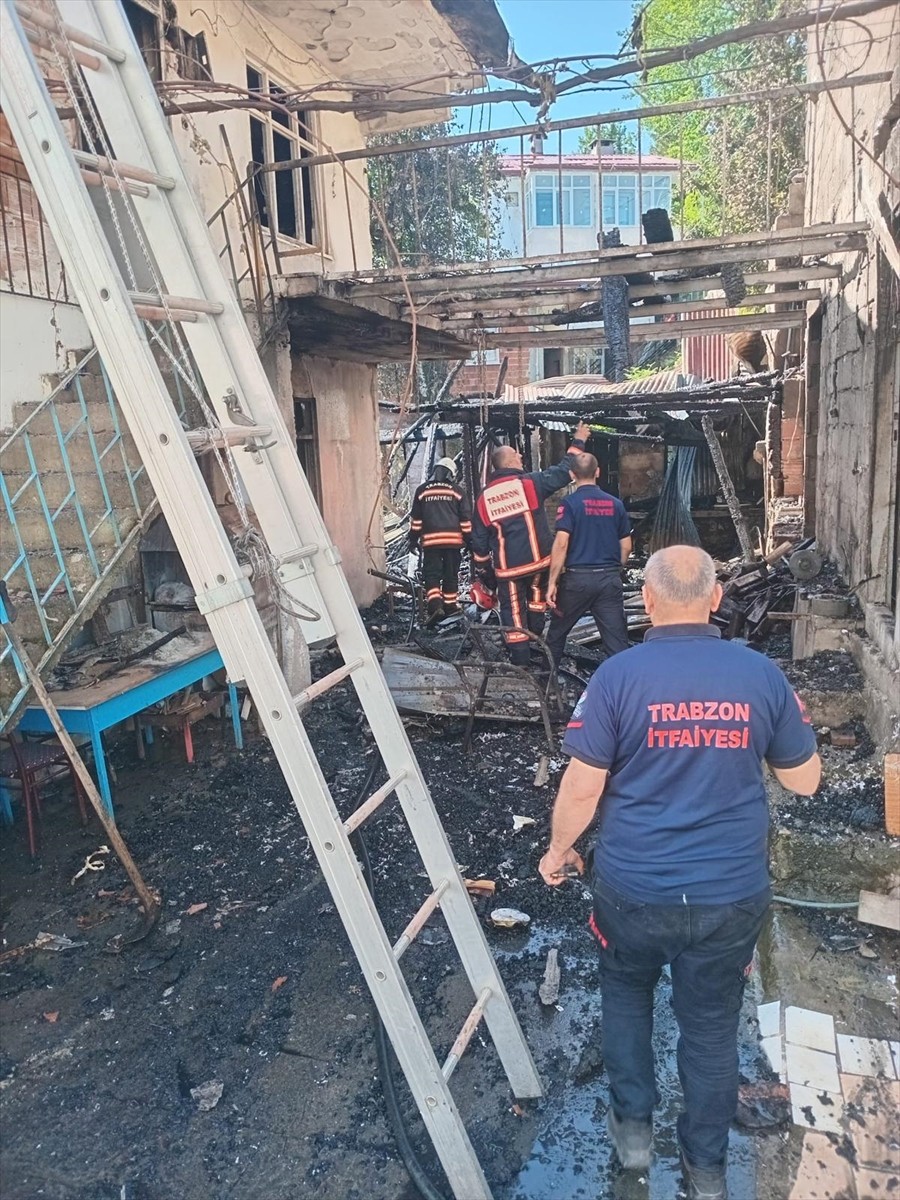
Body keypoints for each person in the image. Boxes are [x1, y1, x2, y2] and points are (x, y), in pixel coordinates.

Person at [538, 546, 820, 1200]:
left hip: (632, 891)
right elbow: (804, 782)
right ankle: (707, 1172)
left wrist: (556, 852)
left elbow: (582, 790)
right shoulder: (760, 674)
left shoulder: (616, 677)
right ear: (716, 598)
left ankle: (633, 1145)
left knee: (627, 999)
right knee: (712, 1027)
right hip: (729, 897)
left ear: (651, 602)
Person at [471, 422, 591, 665]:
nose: (521, 456)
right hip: (539, 563)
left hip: (509, 569)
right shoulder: (530, 484)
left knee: (513, 612)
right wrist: (579, 440)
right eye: (516, 455)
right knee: (536, 600)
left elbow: (479, 542)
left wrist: (485, 571)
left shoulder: (484, 499)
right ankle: (536, 640)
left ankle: (521, 660)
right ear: (508, 463)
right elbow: (565, 470)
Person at [545, 453, 632, 668]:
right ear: (598, 472)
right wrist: (615, 569)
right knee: (616, 642)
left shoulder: (569, 504)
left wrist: (552, 582)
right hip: (608, 581)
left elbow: (561, 544)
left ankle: (548, 687)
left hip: (577, 582)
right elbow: (627, 546)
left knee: (557, 634)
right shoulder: (616, 504)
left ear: (572, 475)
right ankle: (622, 691)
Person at [409, 457, 472, 624]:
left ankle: (435, 606)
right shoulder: (457, 491)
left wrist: (412, 540)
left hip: (431, 543)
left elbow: (416, 520)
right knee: (450, 574)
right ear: (451, 474)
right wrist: (469, 541)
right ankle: (450, 606)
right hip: (453, 542)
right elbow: (465, 520)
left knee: (432, 574)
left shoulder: (422, 491)